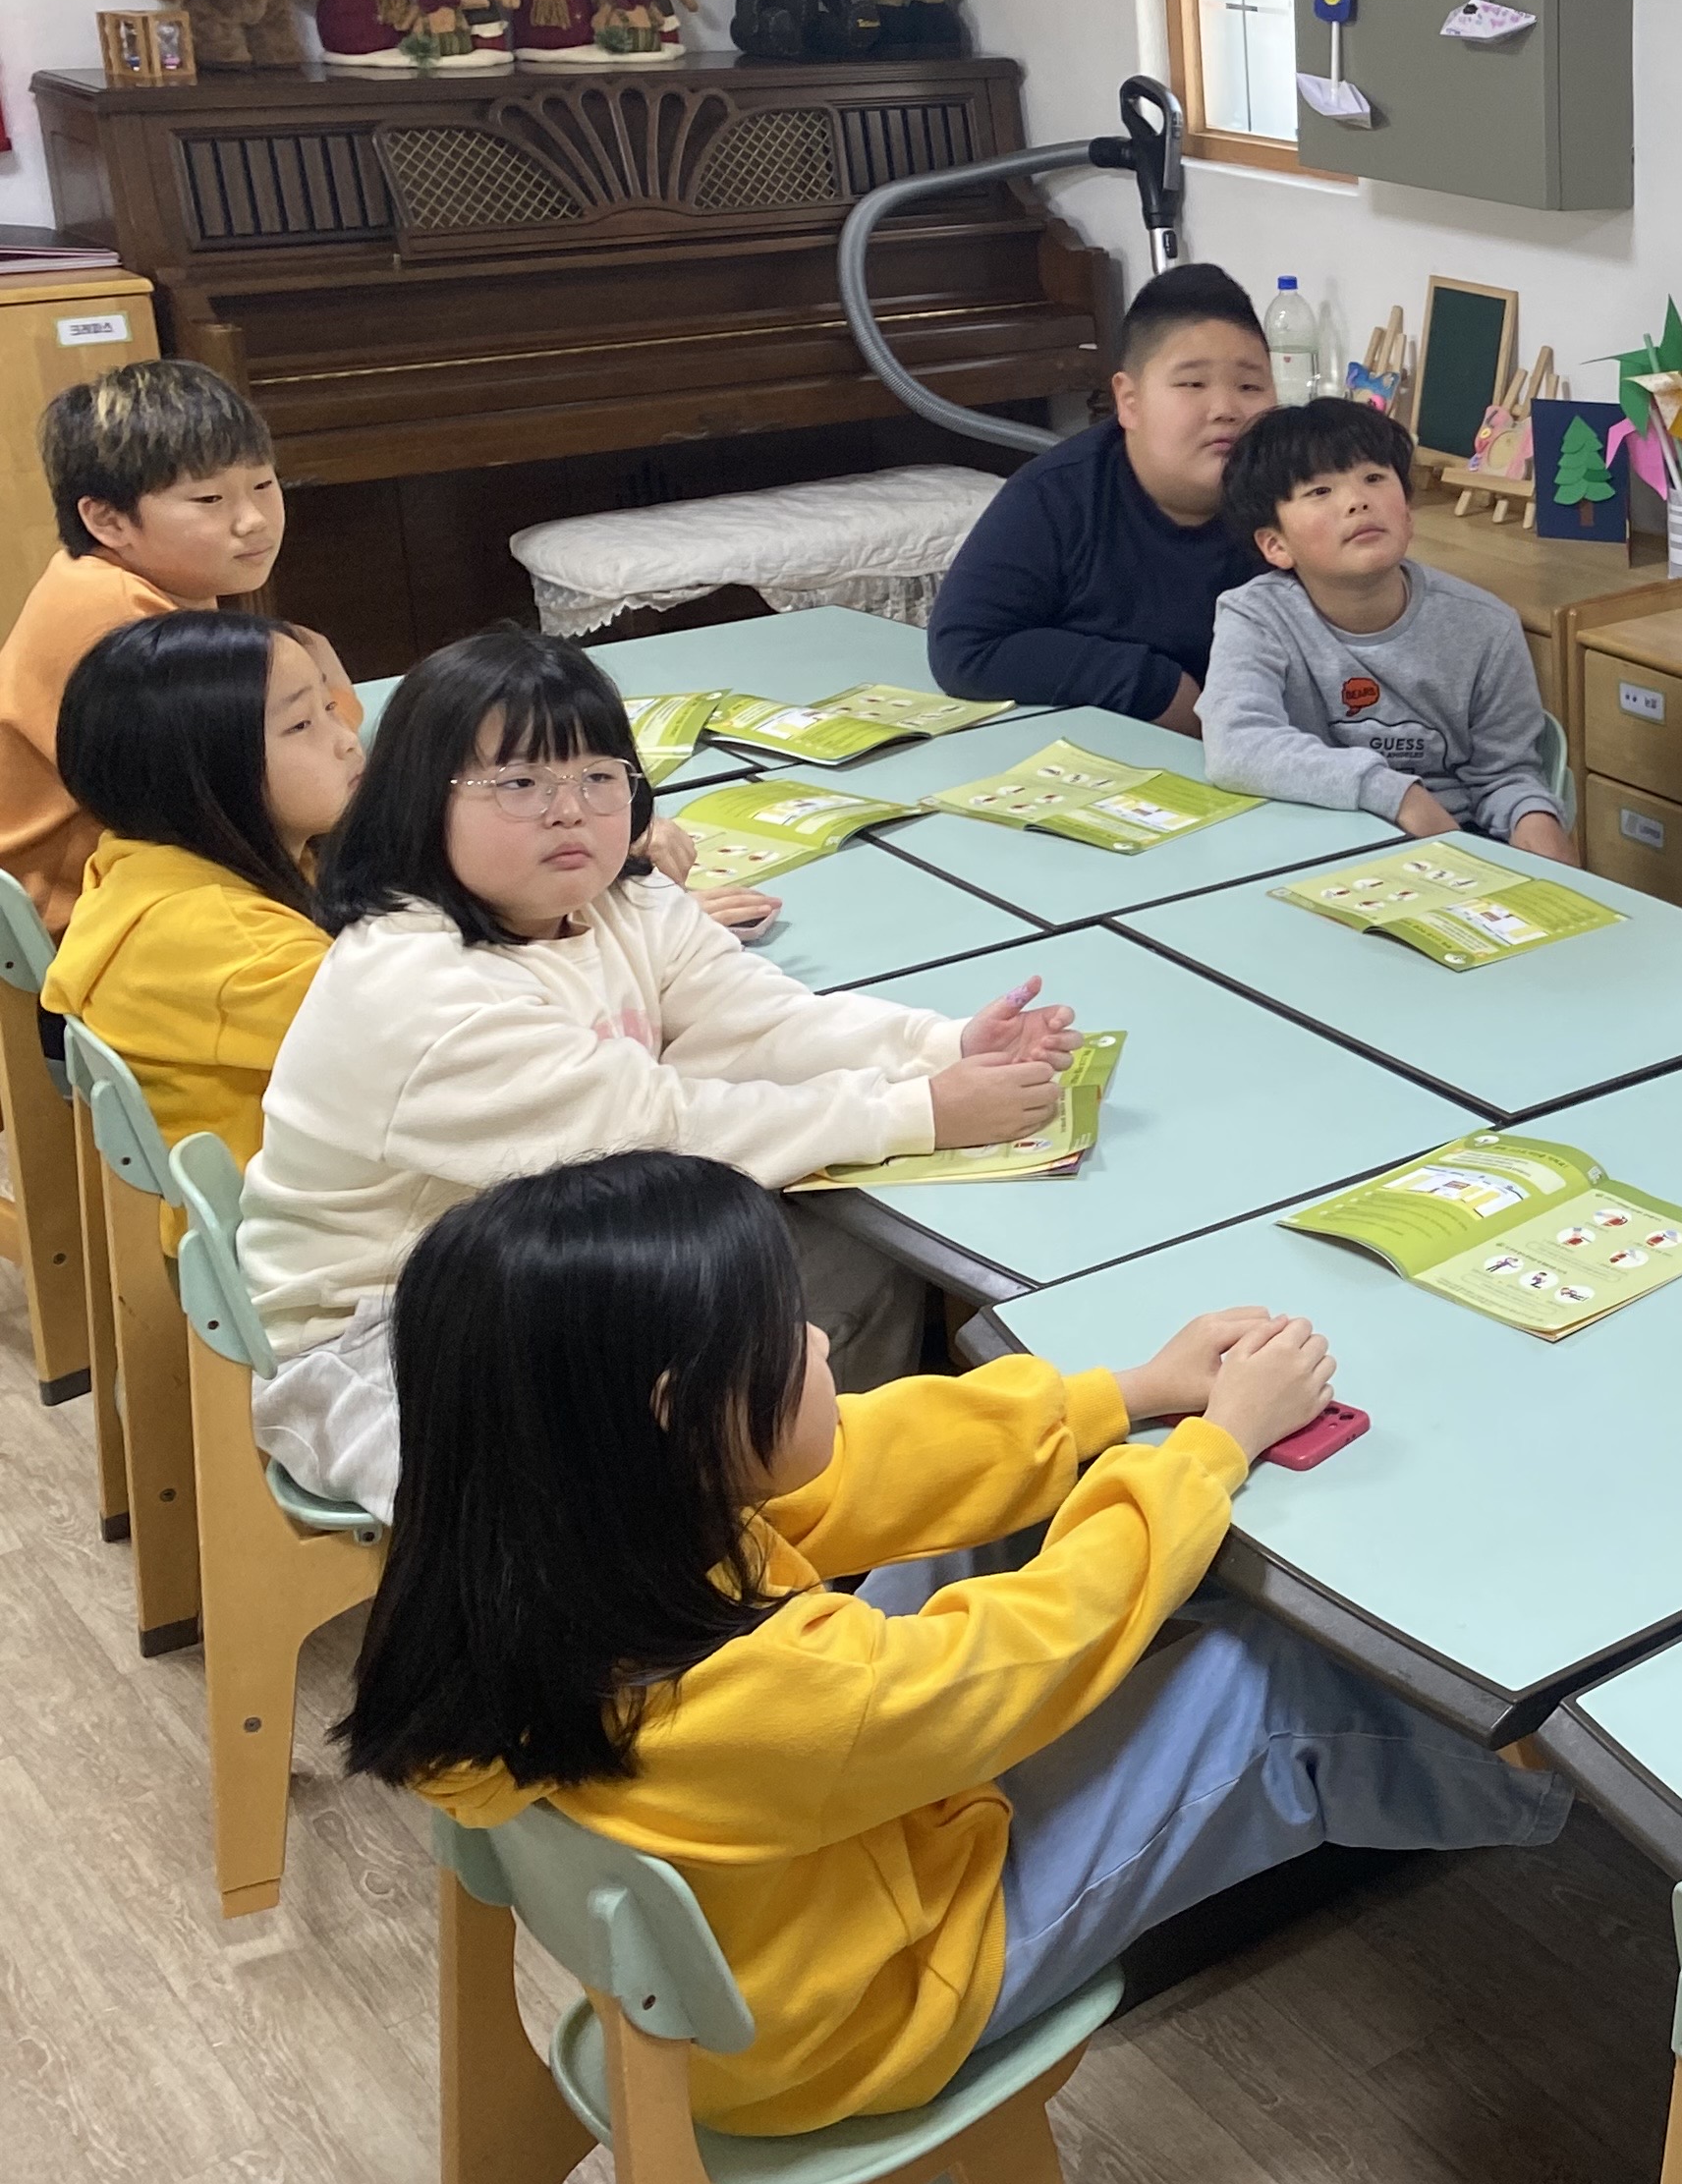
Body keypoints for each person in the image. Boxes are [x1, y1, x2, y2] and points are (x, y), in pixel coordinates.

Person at [338, 1152, 1564, 2140]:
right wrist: (1214, 1448)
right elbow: (1041, 1646)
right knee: (1265, 1686)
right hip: (871, 2014)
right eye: (785, 1335)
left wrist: (1128, 1394)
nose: (821, 1343)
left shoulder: (551, 1549)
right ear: (676, 1412)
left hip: (767, 1951)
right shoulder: (764, 1691)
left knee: (986, 1528)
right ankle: (1551, 1788)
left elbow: (870, 1465)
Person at [237, 627, 1081, 1519]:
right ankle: (769, 1552)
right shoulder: (419, 989)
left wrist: (944, 1047)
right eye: (520, 784)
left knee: (848, 1260)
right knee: (799, 1305)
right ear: (417, 799)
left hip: (536, 1264)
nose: (570, 811)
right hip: (390, 1337)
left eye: (600, 777)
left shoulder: (617, 899)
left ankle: (826, 1524)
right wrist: (921, 1113)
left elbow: (762, 1020)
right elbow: (666, 1132)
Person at [0, 361, 363, 933]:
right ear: (107, 520)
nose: (253, 521)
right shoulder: (118, 619)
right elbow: (252, 795)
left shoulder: (125, 579)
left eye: (263, 485)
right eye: (209, 499)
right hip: (84, 909)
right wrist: (337, 698)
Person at [39, 610, 363, 1160]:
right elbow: (411, 1046)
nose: (347, 741)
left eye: (330, 708)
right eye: (301, 725)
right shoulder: (235, 946)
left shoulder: (134, 862)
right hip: (286, 1195)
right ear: (200, 773)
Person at [1199, 398, 1569, 858]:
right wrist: (1395, 794)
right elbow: (1236, 744)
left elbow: (1505, 777)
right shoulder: (1256, 616)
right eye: (1320, 491)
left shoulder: (1486, 627)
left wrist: (1537, 823)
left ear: (1407, 514)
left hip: (1451, 849)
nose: (1358, 501)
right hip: (1307, 847)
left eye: (1374, 478)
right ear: (1276, 545)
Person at [930, 268, 1277, 732]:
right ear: (1129, 401)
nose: (1226, 409)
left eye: (1250, 387)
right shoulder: (1057, 495)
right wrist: (1153, 686)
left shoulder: (1299, 492)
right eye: (1193, 384)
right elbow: (965, 647)